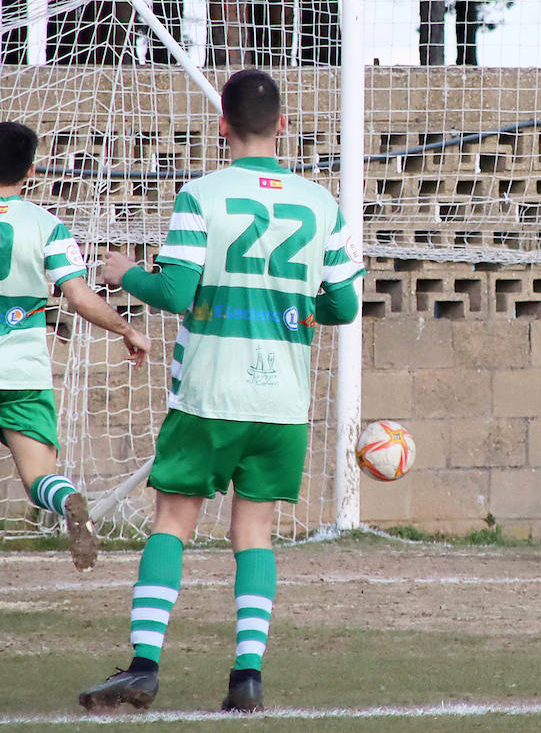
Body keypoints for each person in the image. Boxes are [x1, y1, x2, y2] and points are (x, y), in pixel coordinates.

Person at [78, 69, 365, 714]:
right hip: (283, 401)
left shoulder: (201, 195)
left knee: (173, 522)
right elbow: (345, 303)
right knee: (255, 533)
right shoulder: (322, 203)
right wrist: (297, 303)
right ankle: (247, 680)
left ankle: (145, 666)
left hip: (210, 392)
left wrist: (127, 274)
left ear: (222, 127)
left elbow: (177, 292)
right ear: (284, 125)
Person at [0, 121, 150, 572]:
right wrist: (126, 330)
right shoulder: (47, 225)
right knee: (40, 477)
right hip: (21, 372)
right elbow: (79, 296)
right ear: (29, 172)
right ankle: (67, 500)